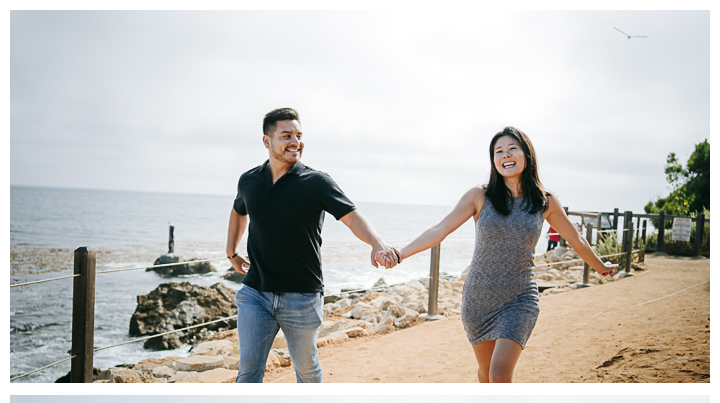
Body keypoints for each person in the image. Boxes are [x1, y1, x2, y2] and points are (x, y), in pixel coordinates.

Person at [380, 126, 619, 383]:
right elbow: (439, 229)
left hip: (520, 297)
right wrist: (400, 254)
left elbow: (576, 238)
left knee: (500, 374)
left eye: (512, 149)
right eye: (499, 151)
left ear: (527, 154)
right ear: (493, 160)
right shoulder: (479, 196)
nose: (506, 155)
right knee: (485, 373)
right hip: (479, 299)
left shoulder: (545, 201)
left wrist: (599, 265)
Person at [226, 108, 397, 384]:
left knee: (306, 371)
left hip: (302, 297)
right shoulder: (249, 180)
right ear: (266, 141)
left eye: (298, 135)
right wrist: (231, 251)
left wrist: (377, 243)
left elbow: (352, 217)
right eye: (286, 135)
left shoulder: (316, 182)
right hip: (255, 294)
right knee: (248, 373)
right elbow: (238, 210)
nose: (295, 141)